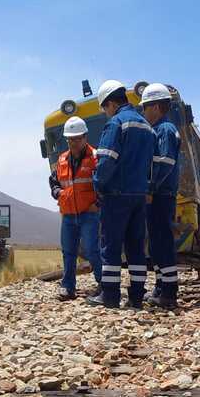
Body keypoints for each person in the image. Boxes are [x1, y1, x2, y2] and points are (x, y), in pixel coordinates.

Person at [88, 80, 154, 309]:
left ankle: (110, 296)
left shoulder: (116, 124)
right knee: (136, 248)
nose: (106, 113)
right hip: (139, 195)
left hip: (117, 195)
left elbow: (106, 162)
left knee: (111, 247)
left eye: (105, 108)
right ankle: (136, 297)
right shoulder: (146, 126)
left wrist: (98, 185)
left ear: (111, 103)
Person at [48, 116, 102, 300]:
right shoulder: (62, 159)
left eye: (78, 138)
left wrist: (99, 204)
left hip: (89, 213)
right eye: (71, 139)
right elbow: (54, 181)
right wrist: (57, 193)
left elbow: (104, 182)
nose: (74, 142)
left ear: (85, 137)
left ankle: (103, 284)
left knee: (92, 249)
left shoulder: (95, 157)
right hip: (69, 214)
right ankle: (68, 287)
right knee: (69, 251)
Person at [141, 83, 181, 309]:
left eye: (145, 107)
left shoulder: (164, 130)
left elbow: (164, 163)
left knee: (162, 242)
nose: (144, 113)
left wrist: (150, 188)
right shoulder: (162, 129)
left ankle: (169, 292)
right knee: (156, 243)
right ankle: (160, 286)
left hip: (161, 195)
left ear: (155, 107)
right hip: (160, 194)